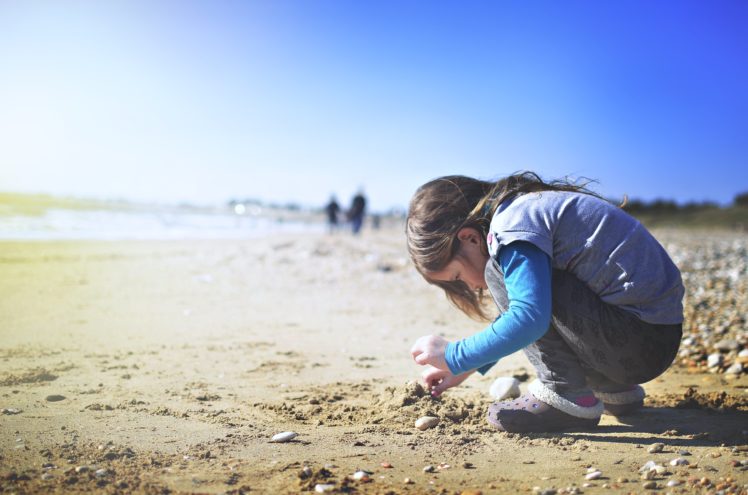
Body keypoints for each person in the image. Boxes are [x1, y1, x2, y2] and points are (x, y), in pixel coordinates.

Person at [407, 172, 684, 433]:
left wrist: (455, 355)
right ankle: (613, 387)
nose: (470, 286)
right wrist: (466, 367)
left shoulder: (511, 226)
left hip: (634, 339)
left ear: (469, 238)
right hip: (649, 337)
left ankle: (566, 395)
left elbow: (528, 317)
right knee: (528, 289)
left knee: (498, 271)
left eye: (458, 277)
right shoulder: (526, 210)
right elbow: (535, 309)